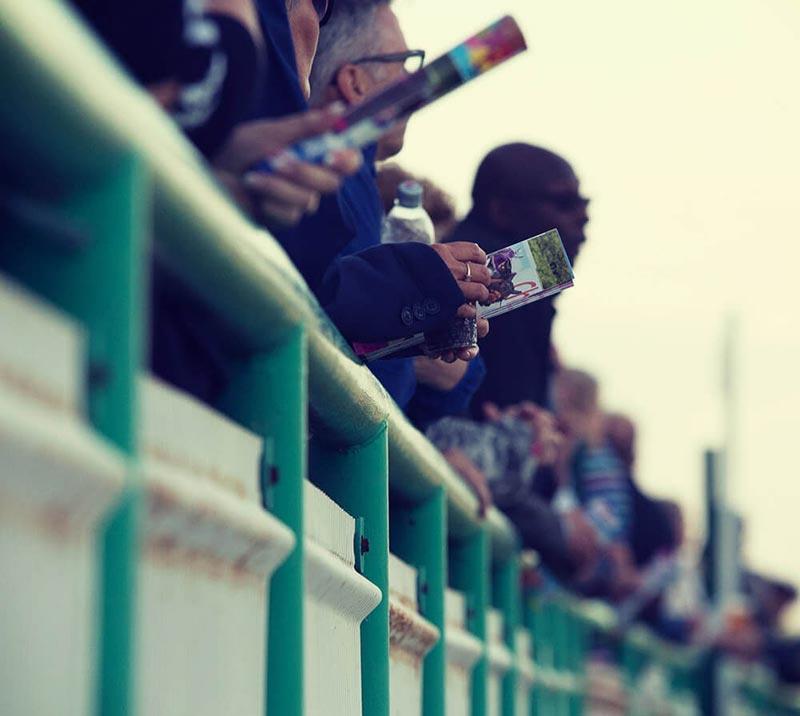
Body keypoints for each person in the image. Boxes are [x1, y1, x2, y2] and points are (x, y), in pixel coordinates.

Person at [446, 143, 589, 415]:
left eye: (584, 203)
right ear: (502, 211)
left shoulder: (528, 281)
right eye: (564, 202)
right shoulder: (490, 282)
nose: (583, 217)